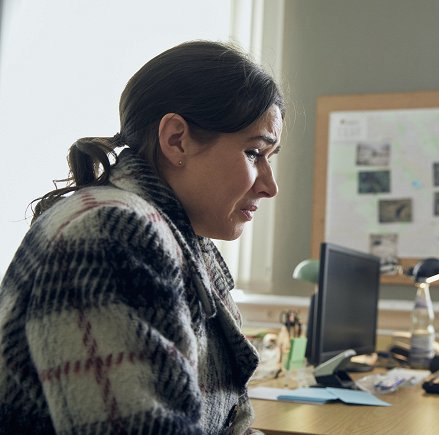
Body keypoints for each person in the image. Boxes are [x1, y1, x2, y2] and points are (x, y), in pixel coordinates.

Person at [0, 40, 284, 434]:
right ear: (176, 139)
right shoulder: (110, 234)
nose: (270, 186)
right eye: (254, 153)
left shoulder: (181, 237)